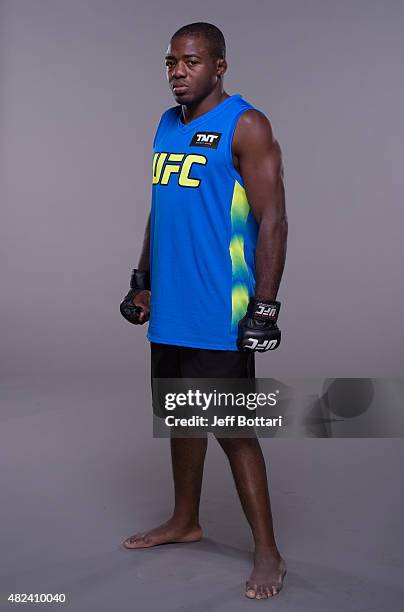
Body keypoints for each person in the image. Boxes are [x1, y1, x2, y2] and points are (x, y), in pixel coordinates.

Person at [120, 22, 288, 600]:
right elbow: (161, 208)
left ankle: (268, 551)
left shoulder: (247, 124)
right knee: (181, 420)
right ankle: (185, 521)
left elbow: (273, 219)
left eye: (190, 62)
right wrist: (143, 280)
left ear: (219, 66)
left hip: (222, 308)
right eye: (171, 63)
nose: (177, 73)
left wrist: (264, 306)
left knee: (235, 431)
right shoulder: (168, 125)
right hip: (172, 307)